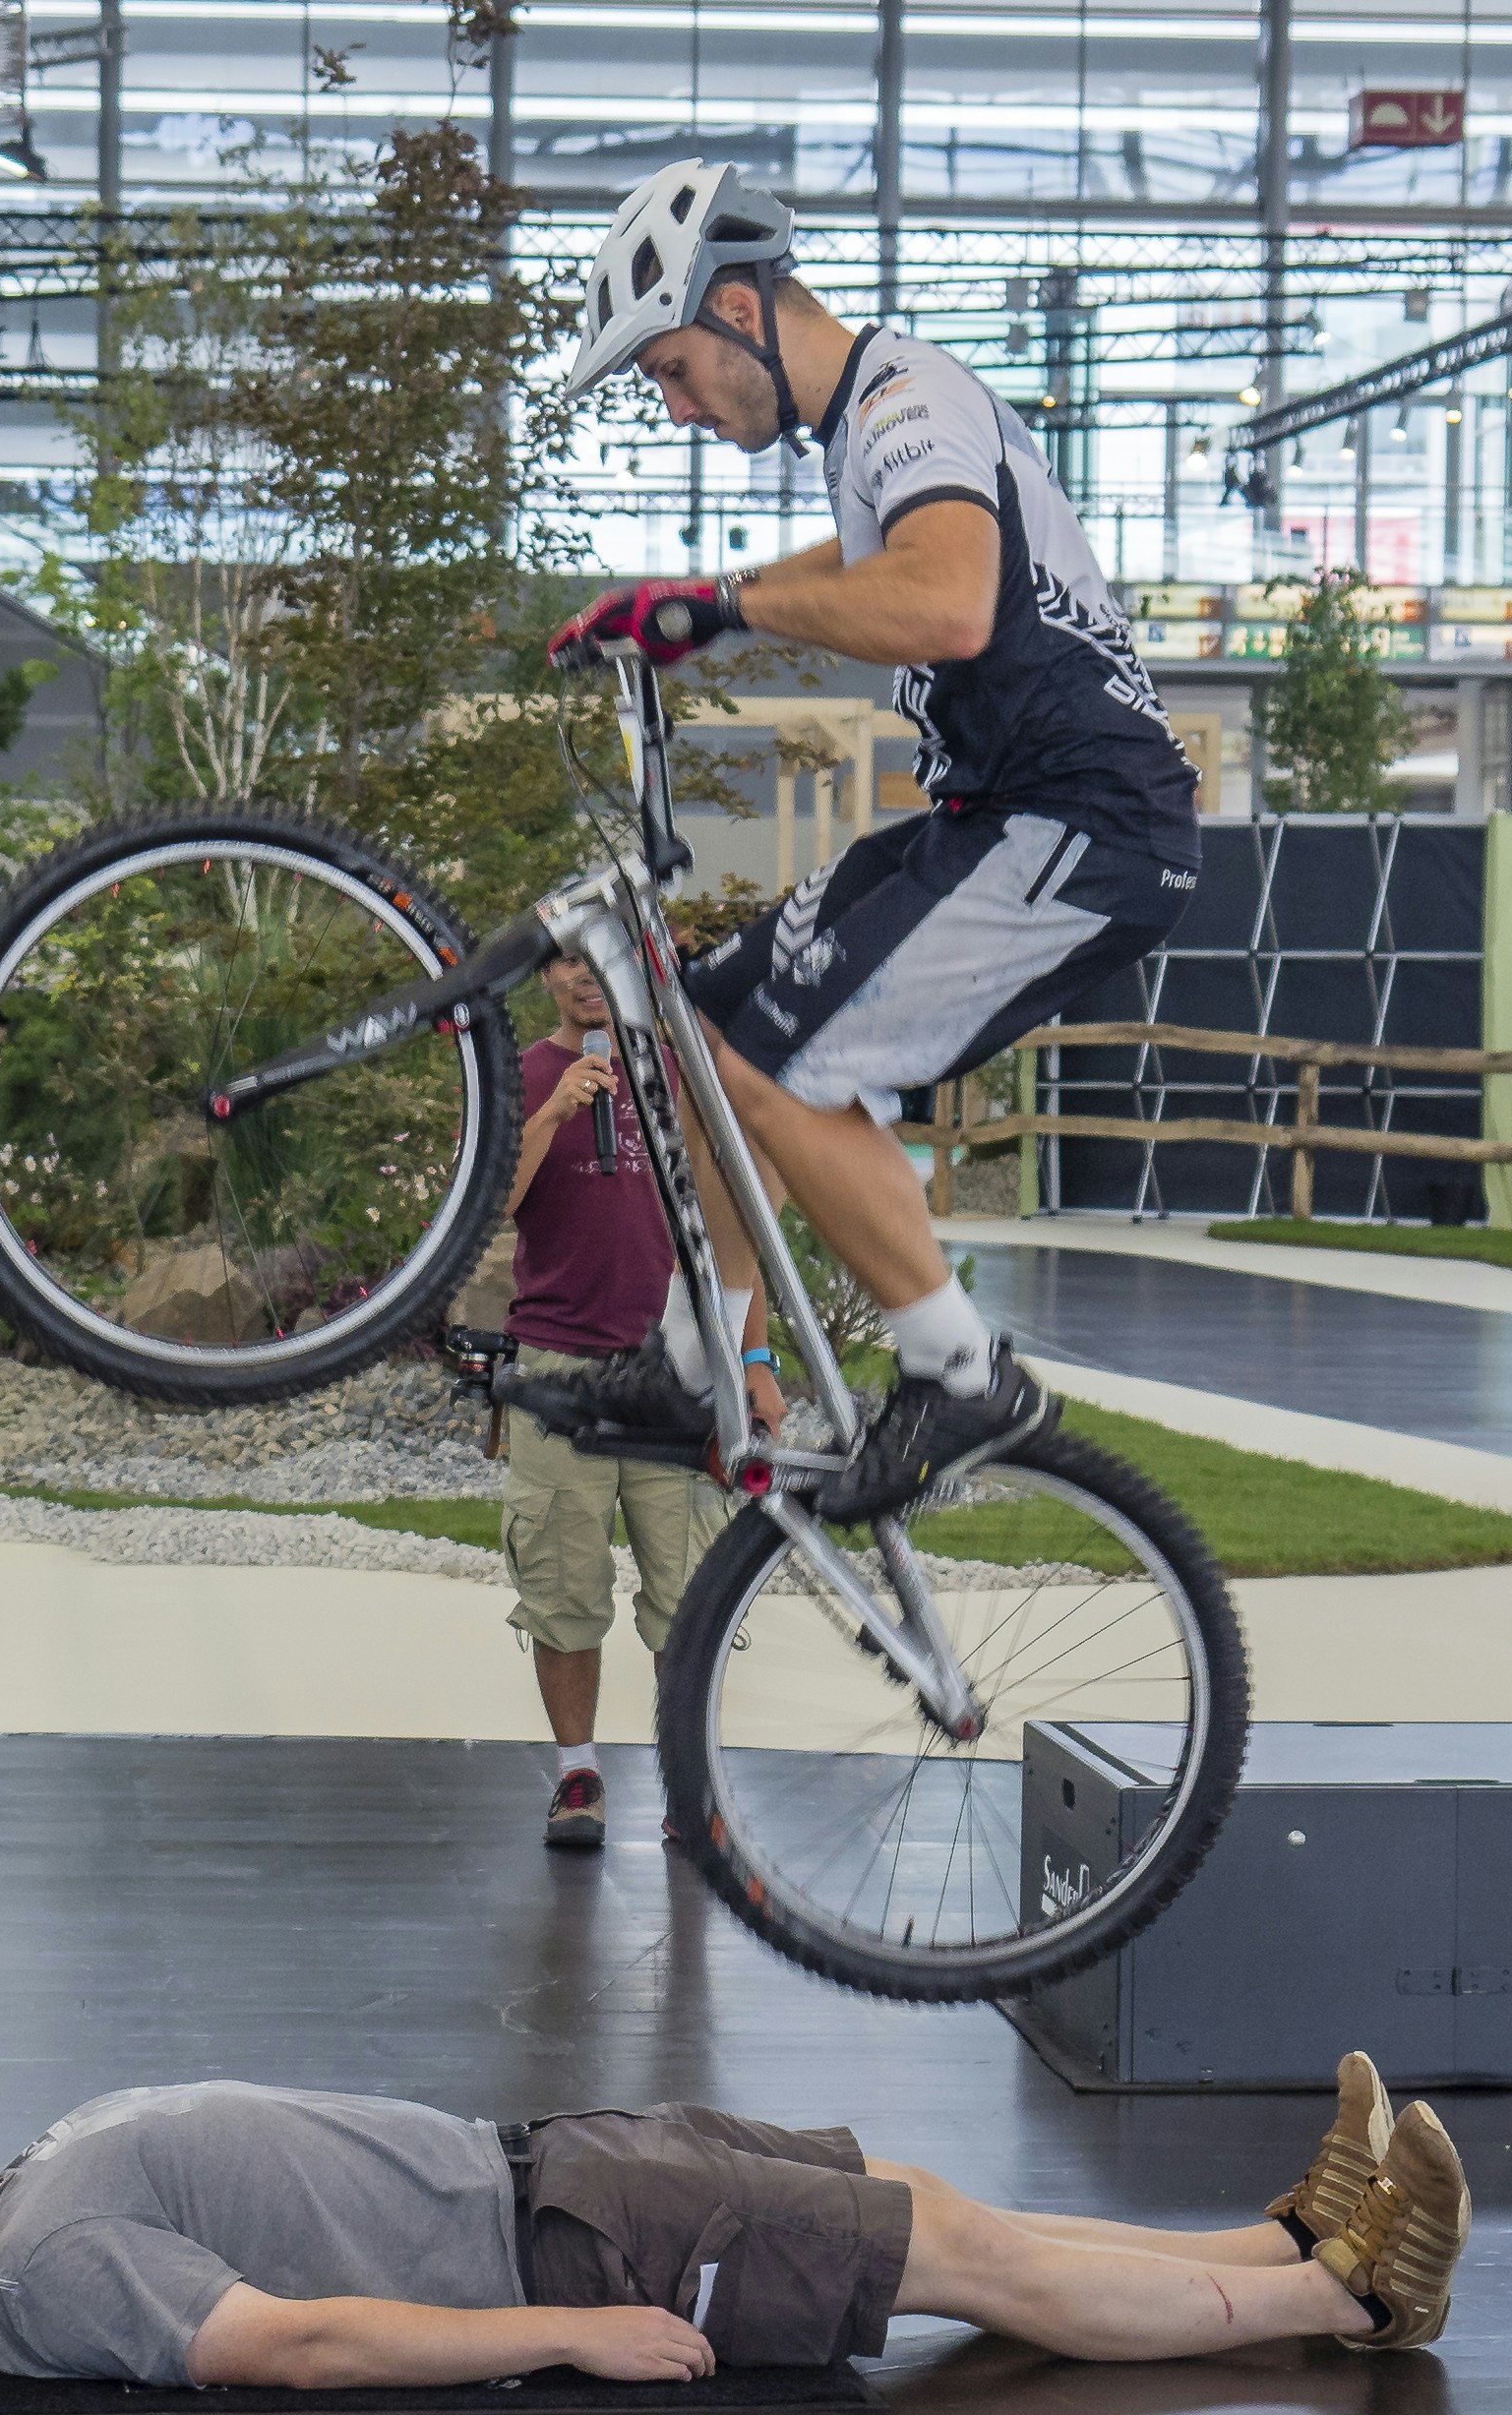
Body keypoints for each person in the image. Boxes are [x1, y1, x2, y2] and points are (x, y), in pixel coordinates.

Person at [511, 157, 1202, 1529]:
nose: (676, 406)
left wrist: (724, 611)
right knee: (712, 1032)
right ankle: (696, 1354)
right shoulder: (870, 426)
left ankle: (961, 1371)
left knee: (789, 1068)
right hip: (991, 814)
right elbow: (860, 563)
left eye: (670, 370)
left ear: (736, 308)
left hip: (1082, 823)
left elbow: (945, 600)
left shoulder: (904, 401)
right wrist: (694, 602)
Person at [0, 2051, 1467, 2384]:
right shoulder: (40, 2275)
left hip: (548, 2160)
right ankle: (1353, 2299)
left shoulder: (26, 2195)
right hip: (564, 2242)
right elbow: (286, 2343)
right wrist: (562, 2332)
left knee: (917, 2203)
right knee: (960, 2262)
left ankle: (1283, 2236)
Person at [504, 948, 784, 1852]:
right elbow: (491, 1205)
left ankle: (687, 1786)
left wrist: (756, 1358)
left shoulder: (678, 1075)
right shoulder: (521, 1077)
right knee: (563, 1589)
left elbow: (732, 1229)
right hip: (560, 1374)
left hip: (678, 1372)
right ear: (545, 979)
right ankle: (576, 1774)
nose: (585, 975)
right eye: (566, 962)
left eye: (600, 957)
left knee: (689, 1598)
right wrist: (553, 1111)